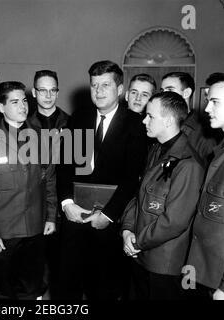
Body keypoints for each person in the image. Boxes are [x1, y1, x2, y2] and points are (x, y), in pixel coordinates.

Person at [57, 60, 148, 300]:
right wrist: (66, 203)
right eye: (94, 85)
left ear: (119, 90)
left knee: (104, 287)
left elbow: (132, 178)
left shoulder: (136, 125)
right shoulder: (79, 117)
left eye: (105, 85)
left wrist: (108, 215)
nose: (98, 91)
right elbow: (65, 165)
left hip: (109, 222)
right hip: (75, 217)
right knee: (68, 285)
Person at [0, 81, 57, 299]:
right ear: (1, 108)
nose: (22, 106)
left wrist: (51, 217)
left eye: (24, 101)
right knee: (3, 291)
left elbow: (48, 180)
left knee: (31, 289)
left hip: (34, 229)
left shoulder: (40, 138)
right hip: (4, 232)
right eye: (14, 102)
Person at [121, 91, 204, 300]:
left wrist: (137, 242)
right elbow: (138, 195)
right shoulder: (157, 150)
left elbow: (174, 222)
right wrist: (127, 231)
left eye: (150, 116)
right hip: (141, 255)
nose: (144, 120)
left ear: (167, 121)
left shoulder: (188, 164)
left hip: (163, 265)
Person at [186, 72, 224, 300]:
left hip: (220, 282)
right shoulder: (221, 150)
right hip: (201, 272)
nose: (207, 109)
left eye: (215, 102)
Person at [29, 69, 69, 298]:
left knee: (60, 263)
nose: (48, 95)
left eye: (52, 90)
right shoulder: (23, 124)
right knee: (35, 263)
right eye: (42, 90)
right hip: (32, 203)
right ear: (34, 92)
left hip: (62, 205)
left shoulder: (71, 123)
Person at [161, 72, 219, 165]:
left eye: (169, 90)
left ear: (186, 93)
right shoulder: (160, 123)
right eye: (162, 91)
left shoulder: (203, 133)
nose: (163, 95)